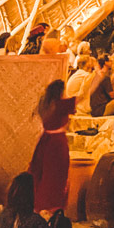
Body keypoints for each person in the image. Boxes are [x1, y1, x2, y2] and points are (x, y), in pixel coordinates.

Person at [29, 80, 76, 214]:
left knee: (40, 174)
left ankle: (37, 204)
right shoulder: (60, 104)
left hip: (44, 142)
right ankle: (52, 206)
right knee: (56, 177)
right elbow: (83, 96)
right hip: (57, 144)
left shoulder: (44, 104)